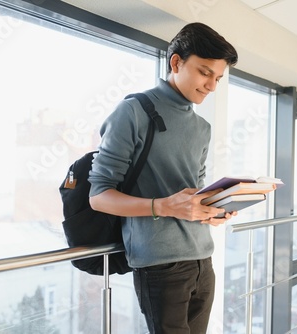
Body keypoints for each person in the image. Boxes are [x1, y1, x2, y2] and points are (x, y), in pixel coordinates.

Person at [88, 22, 238, 333]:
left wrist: (213, 207)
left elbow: (193, 194)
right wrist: (165, 206)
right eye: (204, 72)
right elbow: (99, 196)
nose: (211, 86)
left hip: (203, 259)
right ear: (176, 62)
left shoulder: (202, 129)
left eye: (218, 78)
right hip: (160, 263)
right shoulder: (133, 112)